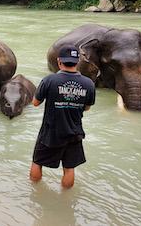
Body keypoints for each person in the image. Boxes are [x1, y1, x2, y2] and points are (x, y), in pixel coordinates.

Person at [30, 45, 95, 188]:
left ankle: (35, 193)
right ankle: (66, 200)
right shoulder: (89, 84)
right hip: (74, 132)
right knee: (69, 167)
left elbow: (35, 103)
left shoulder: (49, 80)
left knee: (37, 162)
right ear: (77, 61)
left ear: (59, 61)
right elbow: (87, 107)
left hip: (50, 132)